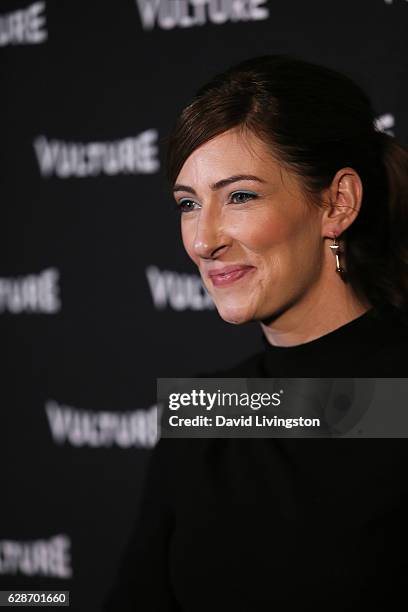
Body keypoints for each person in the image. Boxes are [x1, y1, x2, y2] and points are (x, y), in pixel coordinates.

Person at [103, 55, 408, 611]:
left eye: (239, 195)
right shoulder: (208, 412)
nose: (202, 240)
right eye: (188, 204)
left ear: (337, 203)